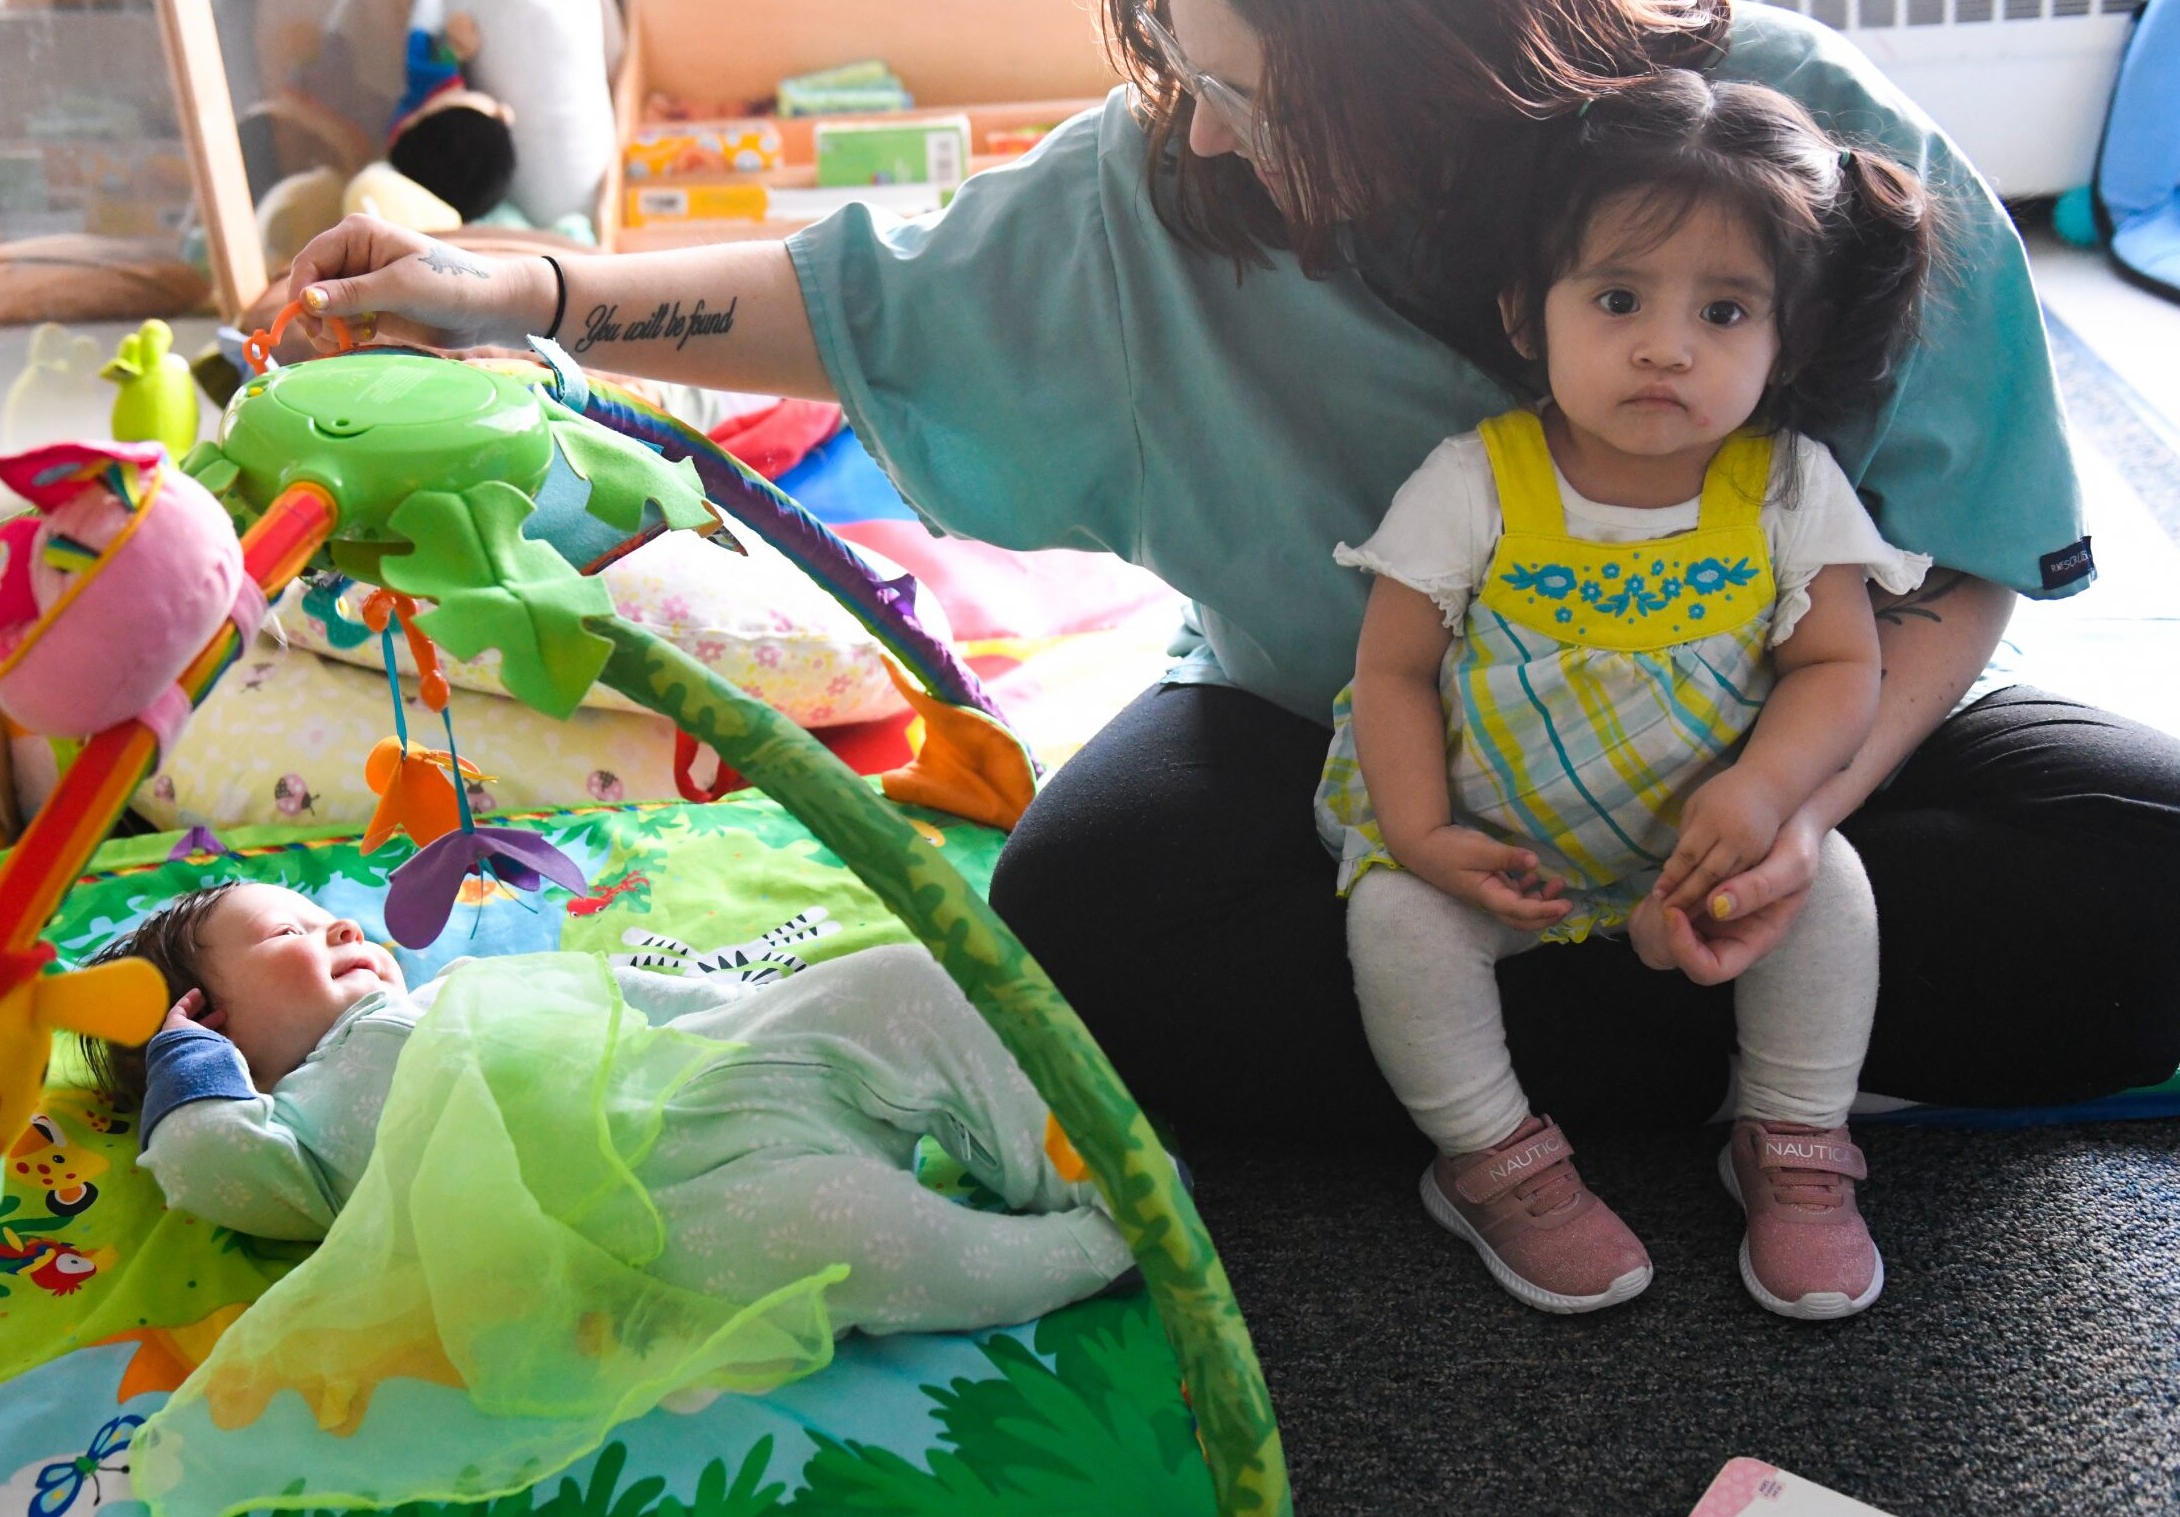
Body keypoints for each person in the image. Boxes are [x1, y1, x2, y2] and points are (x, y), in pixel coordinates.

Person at [280, 0, 2180, 1190]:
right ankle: (1764, 1059)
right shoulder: (1162, 192)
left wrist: (1790, 811)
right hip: (1351, 759)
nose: (1187, 124)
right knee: (1088, 921)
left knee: (2143, 874)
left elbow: (1965, 562)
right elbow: (871, 298)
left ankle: (1588, 1046)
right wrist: (527, 293)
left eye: (1233, 85)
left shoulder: (1784, 139)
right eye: (1173, 66)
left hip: (1753, 760)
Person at [1320, 72, 1935, 1319]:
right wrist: (1424, 836)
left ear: (1787, 341)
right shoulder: (1476, 480)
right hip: (1491, 849)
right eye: (1616, 300)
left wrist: (1764, 795)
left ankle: (1793, 1136)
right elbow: (1389, 670)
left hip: (1704, 849)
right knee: (1393, 922)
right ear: (1525, 312)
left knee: (1834, 887)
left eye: (1724, 310)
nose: (1666, 346)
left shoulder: (1786, 486)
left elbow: (1840, 666)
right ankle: (1488, 1154)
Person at [83, 880, 1134, 1335]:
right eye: (291, 934)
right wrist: (184, 1063)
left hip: (722, 1071)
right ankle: (1096, 1249)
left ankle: (1092, 1169)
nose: (343, 927)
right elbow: (201, 1160)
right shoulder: (297, 1132)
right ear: (210, 1022)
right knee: (844, 1240)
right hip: (668, 1215)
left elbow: (630, 995)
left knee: (900, 981)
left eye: (329, 914)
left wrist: (764, 1013)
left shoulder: (457, 992)